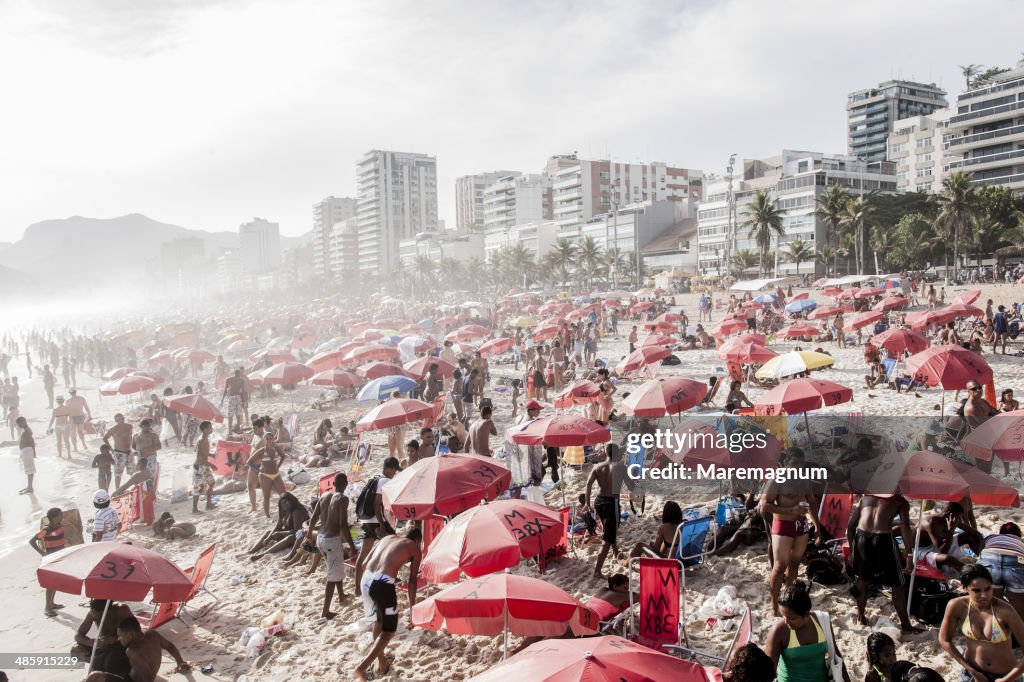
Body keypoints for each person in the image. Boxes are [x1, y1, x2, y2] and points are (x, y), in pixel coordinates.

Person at [355, 526, 422, 682]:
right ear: (418, 540)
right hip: (382, 583)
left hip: (366, 579)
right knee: (389, 630)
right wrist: (413, 610)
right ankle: (361, 669)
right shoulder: (414, 548)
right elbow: (412, 581)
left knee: (378, 621)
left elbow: (365, 562)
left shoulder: (386, 538)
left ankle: (382, 662)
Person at [939, 564, 1024, 682]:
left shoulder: (1005, 611)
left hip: (1005, 676)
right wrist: (972, 671)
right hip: (971, 673)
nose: (984, 595)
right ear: (964, 587)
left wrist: (1008, 679)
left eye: (988, 588)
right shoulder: (957, 606)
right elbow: (944, 640)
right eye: (976, 590)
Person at [847, 494, 919, 631]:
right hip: (883, 540)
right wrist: (909, 555)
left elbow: (851, 527)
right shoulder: (900, 502)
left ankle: (861, 617)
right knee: (897, 584)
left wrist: (852, 551)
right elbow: (905, 528)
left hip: (861, 537)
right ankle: (906, 625)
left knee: (862, 580)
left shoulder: (865, 498)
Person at [763, 462, 824, 615]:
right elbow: (765, 505)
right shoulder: (776, 480)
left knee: (795, 563)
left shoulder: (804, 480)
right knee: (779, 567)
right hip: (782, 524)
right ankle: (774, 604)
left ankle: (788, 598)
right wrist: (791, 510)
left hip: (801, 525)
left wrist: (817, 526)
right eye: (795, 465)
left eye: (800, 466)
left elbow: (811, 503)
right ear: (787, 464)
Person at [766, 581, 851, 682]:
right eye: (783, 616)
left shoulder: (823, 621)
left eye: (791, 618)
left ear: (806, 614)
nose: (786, 622)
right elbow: (767, 673)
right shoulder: (778, 632)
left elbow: (836, 654)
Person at [309, 472, 358, 618]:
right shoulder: (342, 499)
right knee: (332, 575)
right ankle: (325, 611)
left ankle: (342, 595)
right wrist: (352, 546)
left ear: (334, 484)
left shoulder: (324, 496)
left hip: (320, 538)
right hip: (332, 539)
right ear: (346, 485)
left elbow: (313, 518)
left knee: (335, 568)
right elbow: (343, 524)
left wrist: (308, 535)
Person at [86, 615, 190, 682]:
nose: (119, 638)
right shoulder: (152, 634)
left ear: (130, 634)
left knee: (95, 676)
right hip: (141, 675)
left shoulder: (133, 651)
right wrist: (180, 661)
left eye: (120, 636)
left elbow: (146, 678)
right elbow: (170, 646)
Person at [585, 444, 637, 579]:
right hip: (611, 502)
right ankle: (597, 571)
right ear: (617, 454)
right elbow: (631, 486)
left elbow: (588, 484)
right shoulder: (620, 467)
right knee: (608, 537)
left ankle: (615, 552)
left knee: (609, 528)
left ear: (606, 453)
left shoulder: (597, 467)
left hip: (599, 501)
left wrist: (587, 503)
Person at [354, 457, 401, 597]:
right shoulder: (384, 480)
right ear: (390, 469)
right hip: (376, 521)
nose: (394, 474)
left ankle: (357, 588)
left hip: (366, 521)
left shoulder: (374, 477)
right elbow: (376, 504)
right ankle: (390, 578)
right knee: (394, 546)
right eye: (394, 471)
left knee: (363, 553)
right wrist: (381, 525)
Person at [977, 522, 1024, 618]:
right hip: (1015, 560)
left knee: (993, 599)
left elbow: (980, 551)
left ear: (1000, 533)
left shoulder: (991, 537)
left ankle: (994, 625)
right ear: (1018, 535)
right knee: (1018, 603)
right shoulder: (1021, 541)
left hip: (990, 558)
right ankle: (1018, 629)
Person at [246, 491, 310, 559]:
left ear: (292, 501)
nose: (285, 505)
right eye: (282, 503)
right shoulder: (284, 511)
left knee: (290, 537)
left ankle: (263, 554)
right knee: (268, 532)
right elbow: (278, 526)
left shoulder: (296, 512)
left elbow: (297, 531)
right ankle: (251, 551)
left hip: (298, 538)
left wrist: (281, 533)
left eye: (286, 502)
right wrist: (269, 537)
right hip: (287, 534)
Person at [29, 507, 66, 616]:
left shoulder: (59, 525)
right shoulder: (47, 529)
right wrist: (43, 553)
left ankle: (52, 603)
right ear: (55, 517)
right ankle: (47, 608)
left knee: (55, 582)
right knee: (51, 583)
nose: (62, 516)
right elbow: (32, 541)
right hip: (51, 558)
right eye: (60, 514)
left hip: (59, 556)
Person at [247, 431, 286, 518]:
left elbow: (283, 456)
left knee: (283, 494)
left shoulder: (276, 448)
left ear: (273, 439)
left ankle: (285, 512)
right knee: (266, 496)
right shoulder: (262, 450)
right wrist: (259, 470)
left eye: (270, 438)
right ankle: (268, 516)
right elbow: (249, 462)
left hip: (276, 474)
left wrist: (278, 466)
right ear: (264, 439)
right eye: (267, 438)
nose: (269, 440)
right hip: (265, 476)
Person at [102, 413, 134, 489]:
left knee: (132, 472)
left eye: (122, 419)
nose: (121, 421)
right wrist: (111, 450)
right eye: (118, 420)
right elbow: (105, 438)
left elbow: (130, 437)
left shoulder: (129, 426)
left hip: (129, 452)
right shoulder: (113, 429)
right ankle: (117, 490)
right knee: (118, 473)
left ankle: (135, 488)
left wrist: (132, 447)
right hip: (119, 453)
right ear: (116, 421)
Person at [192, 421, 216, 513]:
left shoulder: (202, 439)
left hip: (202, 465)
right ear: (205, 429)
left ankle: (209, 504)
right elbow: (201, 456)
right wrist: (211, 464)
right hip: (200, 466)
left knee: (212, 483)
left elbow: (200, 452)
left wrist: (210, 455)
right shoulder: (203, 440)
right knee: (199, 488)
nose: (212, 429)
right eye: (210, 428)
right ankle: (194, 509)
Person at [220, 369, 248, 434]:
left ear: (234, 373)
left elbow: (225, 390)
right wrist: (245, 401)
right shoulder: (241, 380)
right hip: (238, 397)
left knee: (231, 415)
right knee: (238, 415)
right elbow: (243, 391)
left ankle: (230, 431)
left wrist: (222, 399)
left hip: (232, 397)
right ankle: (237, 428)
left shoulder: (229, 380)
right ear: (240, 374)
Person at [66, 387, 92, 452]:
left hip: (72, 418)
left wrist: (66, 420)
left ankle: (75, 448)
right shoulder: (81, 398)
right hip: (80, 416)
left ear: (70, 393)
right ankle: (84, 444)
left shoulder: (68, 401)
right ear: (76, 392)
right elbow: (86, 407)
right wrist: (89, 415)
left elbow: (67, 411)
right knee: (80, 432)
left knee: (73, 433)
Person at [17, 416, 35, 494]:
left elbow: (31, 441)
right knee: (28, 469)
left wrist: (34, 451)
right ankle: (29, 486)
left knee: (30, 469)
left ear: (23, 422)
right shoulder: (26, 430)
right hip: (26, 451)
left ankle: (30, 487)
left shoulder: (27, 431)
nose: (18, 425)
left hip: (27, 451)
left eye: (18, 423)